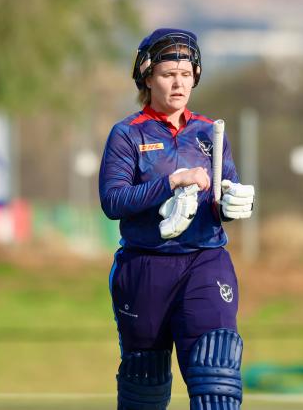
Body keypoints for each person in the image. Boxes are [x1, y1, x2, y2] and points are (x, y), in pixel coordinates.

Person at [99, 28, 255, 410]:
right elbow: (113, 201)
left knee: (216, 371)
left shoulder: (208, 131)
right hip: (145, 268)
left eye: (186, 75)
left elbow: (223, 188)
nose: (178, 83)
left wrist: (231, 202)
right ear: (148, 77)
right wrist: (171, 182)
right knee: (145, 385)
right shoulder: (127, 135)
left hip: (205, 260)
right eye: (169, 74)